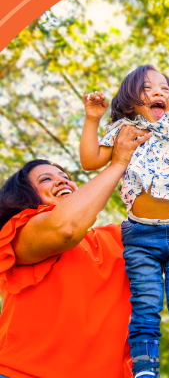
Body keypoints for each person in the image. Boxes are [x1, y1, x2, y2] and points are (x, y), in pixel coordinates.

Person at [79, 64, 169, 378]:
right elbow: (90, 161)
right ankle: (145, 368)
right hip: (140, 235)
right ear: (131, 100)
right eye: (148, 88)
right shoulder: (124, 131)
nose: (160, 92)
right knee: (145, 302)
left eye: (165, 89)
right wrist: (92, 118)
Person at [0, 124, 154, 378]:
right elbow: (66, 228)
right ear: (25, 196)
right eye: (45, 179)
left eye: (65, 176)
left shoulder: (115, 238)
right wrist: (118, 163)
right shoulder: (17, 232)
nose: (61, 179)